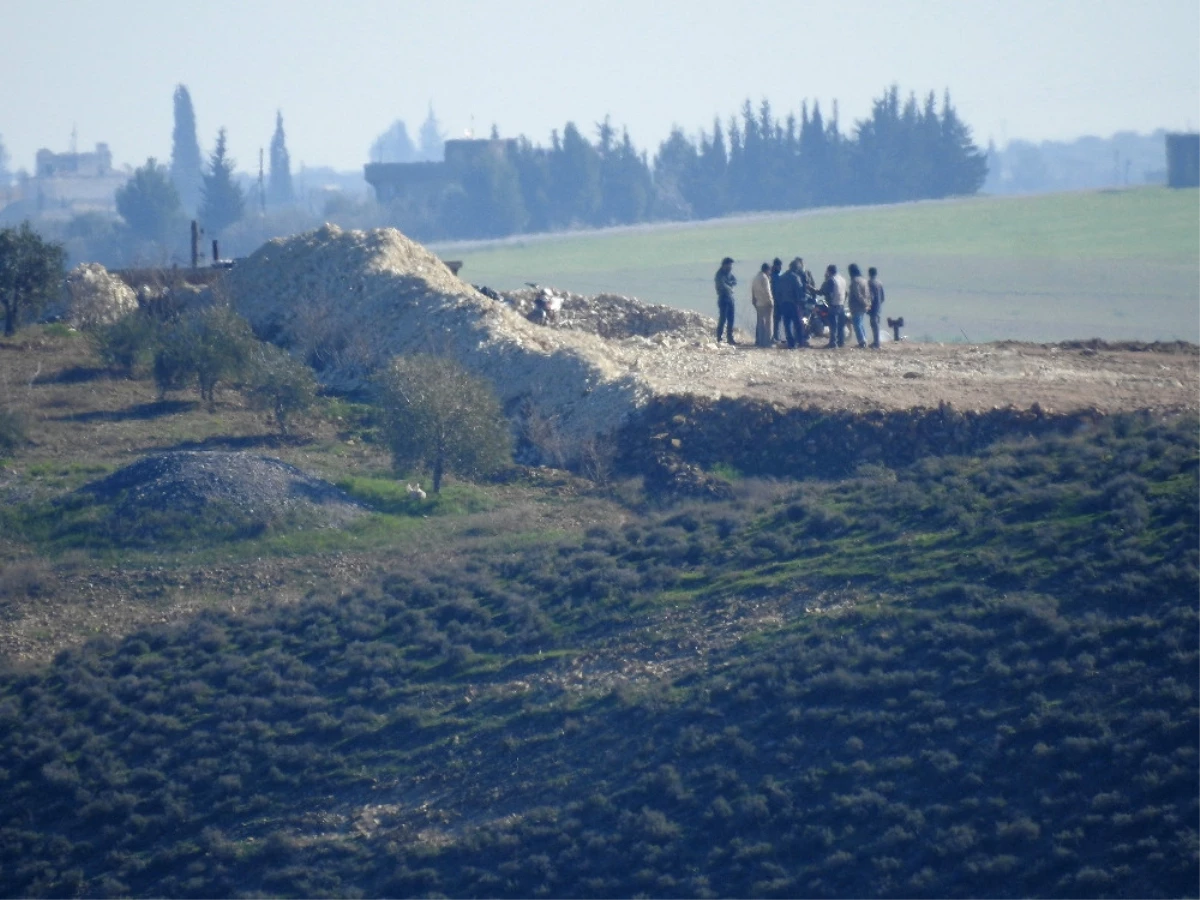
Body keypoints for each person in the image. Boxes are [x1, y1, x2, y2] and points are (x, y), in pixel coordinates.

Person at [776, 258, 808, 348]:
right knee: (798, 324)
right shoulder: (796, 278)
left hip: (784, 304)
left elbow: (778, 292)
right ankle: (800, 342)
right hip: (794, 304)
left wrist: (780, 303)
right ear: (796, 268)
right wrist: (801, 302)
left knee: (787, 325)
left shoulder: (781, 277)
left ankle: (790, 343)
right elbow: (799, 292)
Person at [819, 264, 847, 348]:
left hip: (833, 305)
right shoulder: (842, 279)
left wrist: (829, 302)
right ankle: (841, 342)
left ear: (829, 271)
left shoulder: (831, 280)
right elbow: (846, 293)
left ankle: (833, 343)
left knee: (833, 325)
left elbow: (826, 292)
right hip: (841, 304)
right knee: (841, 325)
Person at [847, 263, 871, 348]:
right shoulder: (864, 280)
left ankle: (862, 341)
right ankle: (864, 339)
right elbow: (867, 294)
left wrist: (863, 303)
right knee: (860, 323)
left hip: (857, 306)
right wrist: (868, 303)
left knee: (857, 324)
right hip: (864, 306)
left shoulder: (855, 281)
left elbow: (858, 295)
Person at [751, 262, 774, 347]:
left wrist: (753, 300)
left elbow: (752, 290)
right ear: (767, 270)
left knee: (760, 323)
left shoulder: (756, 277)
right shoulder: (764, 278)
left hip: (758, 303)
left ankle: (760, 342)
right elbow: (767, 291)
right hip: (766, 303)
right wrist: (771, 301)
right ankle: (768, 342)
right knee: (768, 323)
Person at [714, 257, 737, 344]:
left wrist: (730, 284)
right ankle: (719, 337)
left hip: (730, 298)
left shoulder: (729, 273)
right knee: (723, 319)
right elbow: (722, 286)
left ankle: (730, 338)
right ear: (724, 265)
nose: (730, 267)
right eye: (729, 265)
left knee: (731, 319)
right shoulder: (719, 274)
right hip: (723, 298)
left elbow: (735, 281)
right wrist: (730, 286)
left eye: (731, 265)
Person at [868, 266, 885, 349]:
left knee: (874, 324)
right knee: (876, 324)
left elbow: (871, 296)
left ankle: (876, 343)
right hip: (878, 306)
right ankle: (876, 341)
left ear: (869, 273)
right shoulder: (879, 283)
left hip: (873, 307)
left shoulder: (870, 283)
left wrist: (868, 306)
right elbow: (882, 297)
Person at [769, 258, 784, 341]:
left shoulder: (781, 274)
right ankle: (775, 337)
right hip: (775, 300)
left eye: (781, 266)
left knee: (779, 320)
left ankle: (777, 336)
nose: (780, 267)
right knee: (776, 320)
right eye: (779, 266)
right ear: (775, 266)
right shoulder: (772, 275)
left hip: (781, 300)